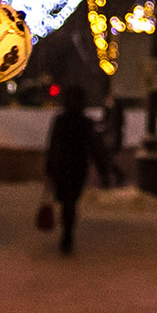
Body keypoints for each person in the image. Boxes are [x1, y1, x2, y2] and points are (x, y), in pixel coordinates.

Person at [43, 85, 107, 254]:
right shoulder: (85, 123)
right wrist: (103, 171)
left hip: (62, 166)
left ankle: (67, 232)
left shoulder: (61, 120)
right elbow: (94, 148)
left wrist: (49, 168)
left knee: (66, 200)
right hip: (78, 166)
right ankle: (68, 233)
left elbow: (53, 145)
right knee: (71, 200)